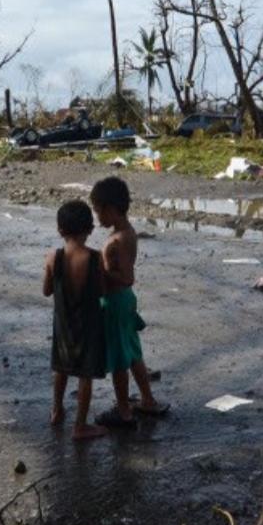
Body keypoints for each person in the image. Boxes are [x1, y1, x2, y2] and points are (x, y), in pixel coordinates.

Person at [89, 176, 169, 429]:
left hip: (115, 301)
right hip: (124, 302)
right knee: (132, 351)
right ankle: (147, 400)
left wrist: (98, 272)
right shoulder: (128, 232)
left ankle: (123, 411)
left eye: (98, 210)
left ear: (110, 209)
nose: (96, 217)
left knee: (118, 358)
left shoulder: (116, 242)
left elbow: (126, 277)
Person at [43, 200, 108, 440]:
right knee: (85, 376)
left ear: (60, 230)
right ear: (90, 229)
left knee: (61, 368)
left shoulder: (53, 257)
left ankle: (57, 410)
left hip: (63, 326)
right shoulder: (95, 258)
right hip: (89, 326)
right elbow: (101, 291)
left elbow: (47, 291)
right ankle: (80, 425)